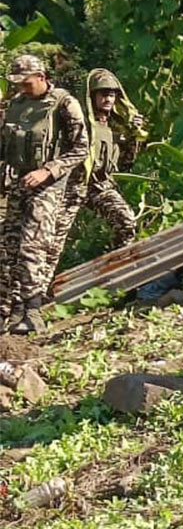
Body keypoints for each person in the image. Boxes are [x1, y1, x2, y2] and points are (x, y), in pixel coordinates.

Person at [0, 53, 88, 335]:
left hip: (48, 185)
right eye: (17, 84)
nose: (21, 89)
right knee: (8, 249)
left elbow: (80, 149)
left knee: (33, 247)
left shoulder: (64, 104)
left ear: (41, 77)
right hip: (18, 184)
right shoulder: (15, 105)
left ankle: (33, 311)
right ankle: (9, 312)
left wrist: (48, 171)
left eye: (26, 83)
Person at [53, 69, 147, 258]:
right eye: (103, 94)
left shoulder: (116, 126)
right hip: (72, 187)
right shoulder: (79, 125)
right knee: (54, 238)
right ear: (93, 96)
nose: (108, 99)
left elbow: (126, 162)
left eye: (112, 95)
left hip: (100, 187)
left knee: (126, 222)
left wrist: (135, 135)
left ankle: (117, 268)